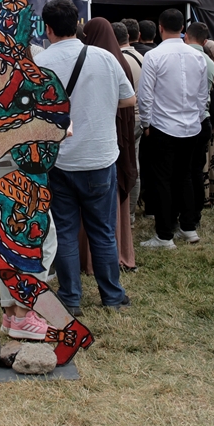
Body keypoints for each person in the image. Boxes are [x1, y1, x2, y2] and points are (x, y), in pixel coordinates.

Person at [0, 0, 90, 367]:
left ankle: (47, 327)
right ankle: (0, 335)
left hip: (28, 183)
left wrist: (3, 134)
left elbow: (58, 126)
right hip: (6, 178)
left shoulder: (39, 81)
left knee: (20, 260)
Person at [35, 0, 135, 313]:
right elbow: (129, 99)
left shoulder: (40, 64)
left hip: (59, 160)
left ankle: (70, 297)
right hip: (100, 157)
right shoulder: (104, 57)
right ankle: (113, 296)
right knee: (103, 231)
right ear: (78, 22)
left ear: (47, 28)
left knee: (64, 230)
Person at [136, 9, 210, 249]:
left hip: (163, 126)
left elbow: (145, 96)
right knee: (186, 175)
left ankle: (164, 235)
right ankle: (188, 227)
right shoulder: (198, 56)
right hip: (191, 125)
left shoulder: (154, 56)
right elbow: (202, 94)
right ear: (183, 30)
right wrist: (197, 118)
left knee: (163, 180)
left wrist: (146, 123)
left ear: (160, 27)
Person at [83, 18, 137, 270]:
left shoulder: (94, 63)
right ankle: (117, 254)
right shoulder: (120, 62)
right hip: (116, 141)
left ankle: (91, 259)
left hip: (97, 142)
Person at [184, 22, 214, 205]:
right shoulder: (208, 61)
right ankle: (197, 207)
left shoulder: (181, 57)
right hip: (203, 118)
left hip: (182, 120)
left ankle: (186, 207)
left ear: (186, 37)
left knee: (183, 169)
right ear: (205, 41)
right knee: (197, 167)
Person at [115, 21, 145, 223]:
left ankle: (127, 213)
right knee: (134, 163)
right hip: (140, 118)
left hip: (126, 120)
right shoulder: (142, 57)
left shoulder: (118, 61)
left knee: (127, 165)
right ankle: (131, 212)